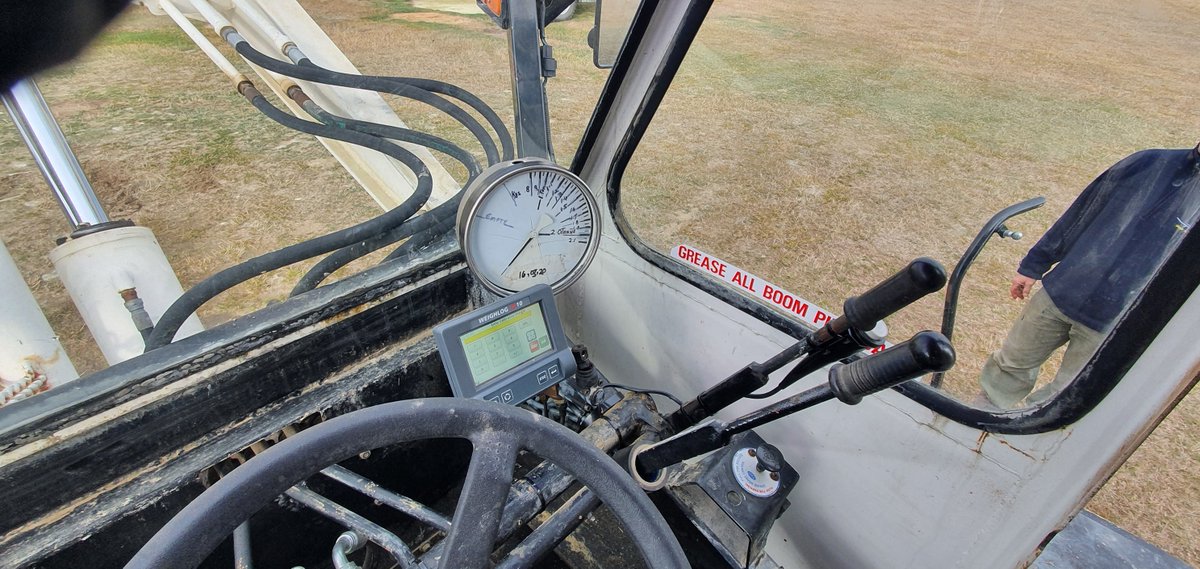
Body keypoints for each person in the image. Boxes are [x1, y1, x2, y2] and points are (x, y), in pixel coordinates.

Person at [979, 143, 1200, 409]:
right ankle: (980, 416)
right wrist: (1034, 265)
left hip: (1117, 321)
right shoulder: (1147, 163)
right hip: (1062, 292)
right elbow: (1083, 211)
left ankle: (1020, 444)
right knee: (1010, 365)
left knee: (1065, 396)